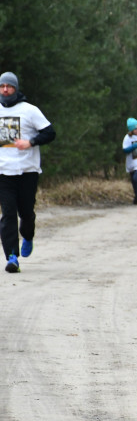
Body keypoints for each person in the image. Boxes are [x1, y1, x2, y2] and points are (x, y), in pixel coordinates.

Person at [0, 72, 55, 273]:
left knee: (26, 214)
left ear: (16, 88)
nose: (5, 89)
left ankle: (28, 235)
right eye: (2, 86)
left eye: (9, 86)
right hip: (3, 172)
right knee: (7, 214)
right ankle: (12, 257)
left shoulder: (29, 110)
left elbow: (50, 133)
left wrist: (30, 142)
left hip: (27, 171)